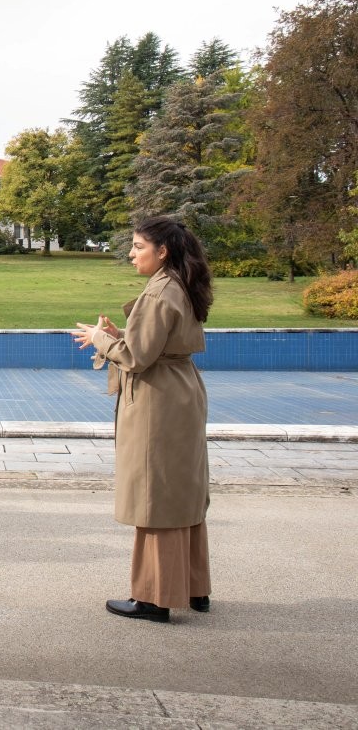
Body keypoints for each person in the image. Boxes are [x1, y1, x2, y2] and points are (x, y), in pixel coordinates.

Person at [71, 217, 214, 623]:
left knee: (157, 494)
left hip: (159, 400)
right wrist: (122, 335)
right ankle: (194, 588)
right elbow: (152, 342)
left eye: (138, 246)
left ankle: (154, 597)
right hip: (180, 391)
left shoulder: (160, 291)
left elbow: (136, 357)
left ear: (162, 251)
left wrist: (101, 339)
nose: (132, 254)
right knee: (181, 489)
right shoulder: (180, 282)